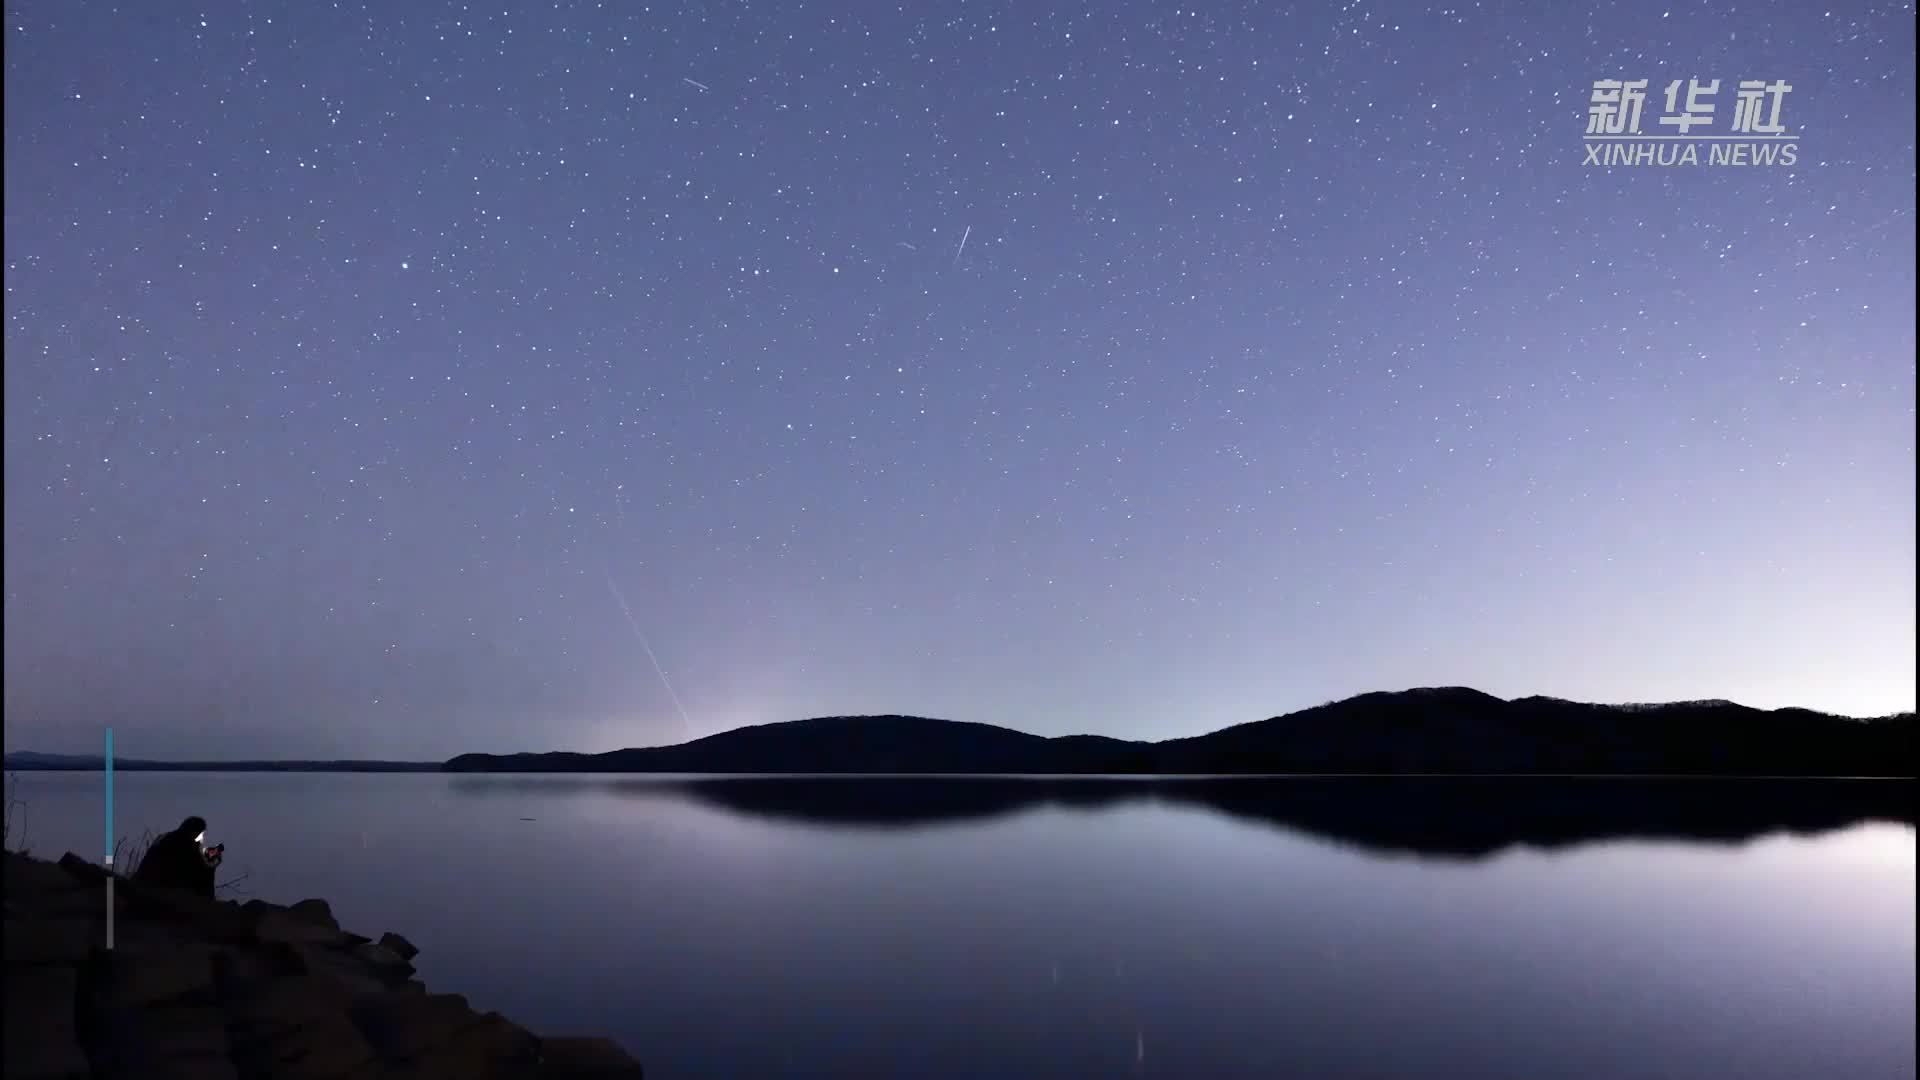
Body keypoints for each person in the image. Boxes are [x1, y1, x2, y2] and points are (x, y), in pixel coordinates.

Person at [132, 815, 222, 898]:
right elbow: (199, 876)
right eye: (201, 834)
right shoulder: (189, 845)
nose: (201, 838)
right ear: (195, 832)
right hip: (165, 894)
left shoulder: (164, 837)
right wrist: (212, 863)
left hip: (141, 884)